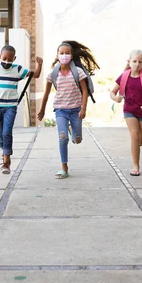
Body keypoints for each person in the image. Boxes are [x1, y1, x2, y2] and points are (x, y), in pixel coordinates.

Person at [37, 41, 99, 179]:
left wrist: (83, 109)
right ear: (57, 55)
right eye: (61, 53)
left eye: (67, 53)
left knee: (77, 140)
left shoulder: (78, 72)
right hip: (61, 110)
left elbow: (84, 90)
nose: (64, 55)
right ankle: (64, 167)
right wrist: (42, 110)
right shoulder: (53, 74)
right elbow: (46, 94)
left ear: (71, 56)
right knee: (62, 137)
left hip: (76, 110)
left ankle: (73, 131)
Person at [0, 45, 42, 174]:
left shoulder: (17, 69)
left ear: (14, 58)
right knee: (0, 132)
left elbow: (36, 75)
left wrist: (39, 64)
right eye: (4, 58)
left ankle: (6, 161)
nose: (6, 61)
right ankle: (5, 151)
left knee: (7, 132)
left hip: (10, 107)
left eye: (10, 59)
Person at [110, 50, 142, 176]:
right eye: (134, 61)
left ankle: (135, 147)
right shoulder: (124, 76)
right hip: (129, 110)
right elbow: (112, 92)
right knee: (134, 135)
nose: (137, 64)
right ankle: (136, 166)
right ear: (129, 62)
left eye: (140, 62)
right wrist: (115, 98)